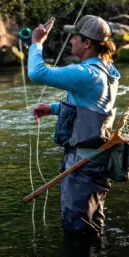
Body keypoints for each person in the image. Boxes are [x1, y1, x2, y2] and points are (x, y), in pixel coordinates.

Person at [27, 15, 120, 235]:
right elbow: (92, 107)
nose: (70, 41)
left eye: (75, 37)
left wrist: (36, 43)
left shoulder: (86, 73)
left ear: (87, 43)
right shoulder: (107, 72)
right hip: (94, 162)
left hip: (82, 166)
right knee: (93, 226)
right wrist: (53, 108)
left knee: (77, 229)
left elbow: (37, 73)